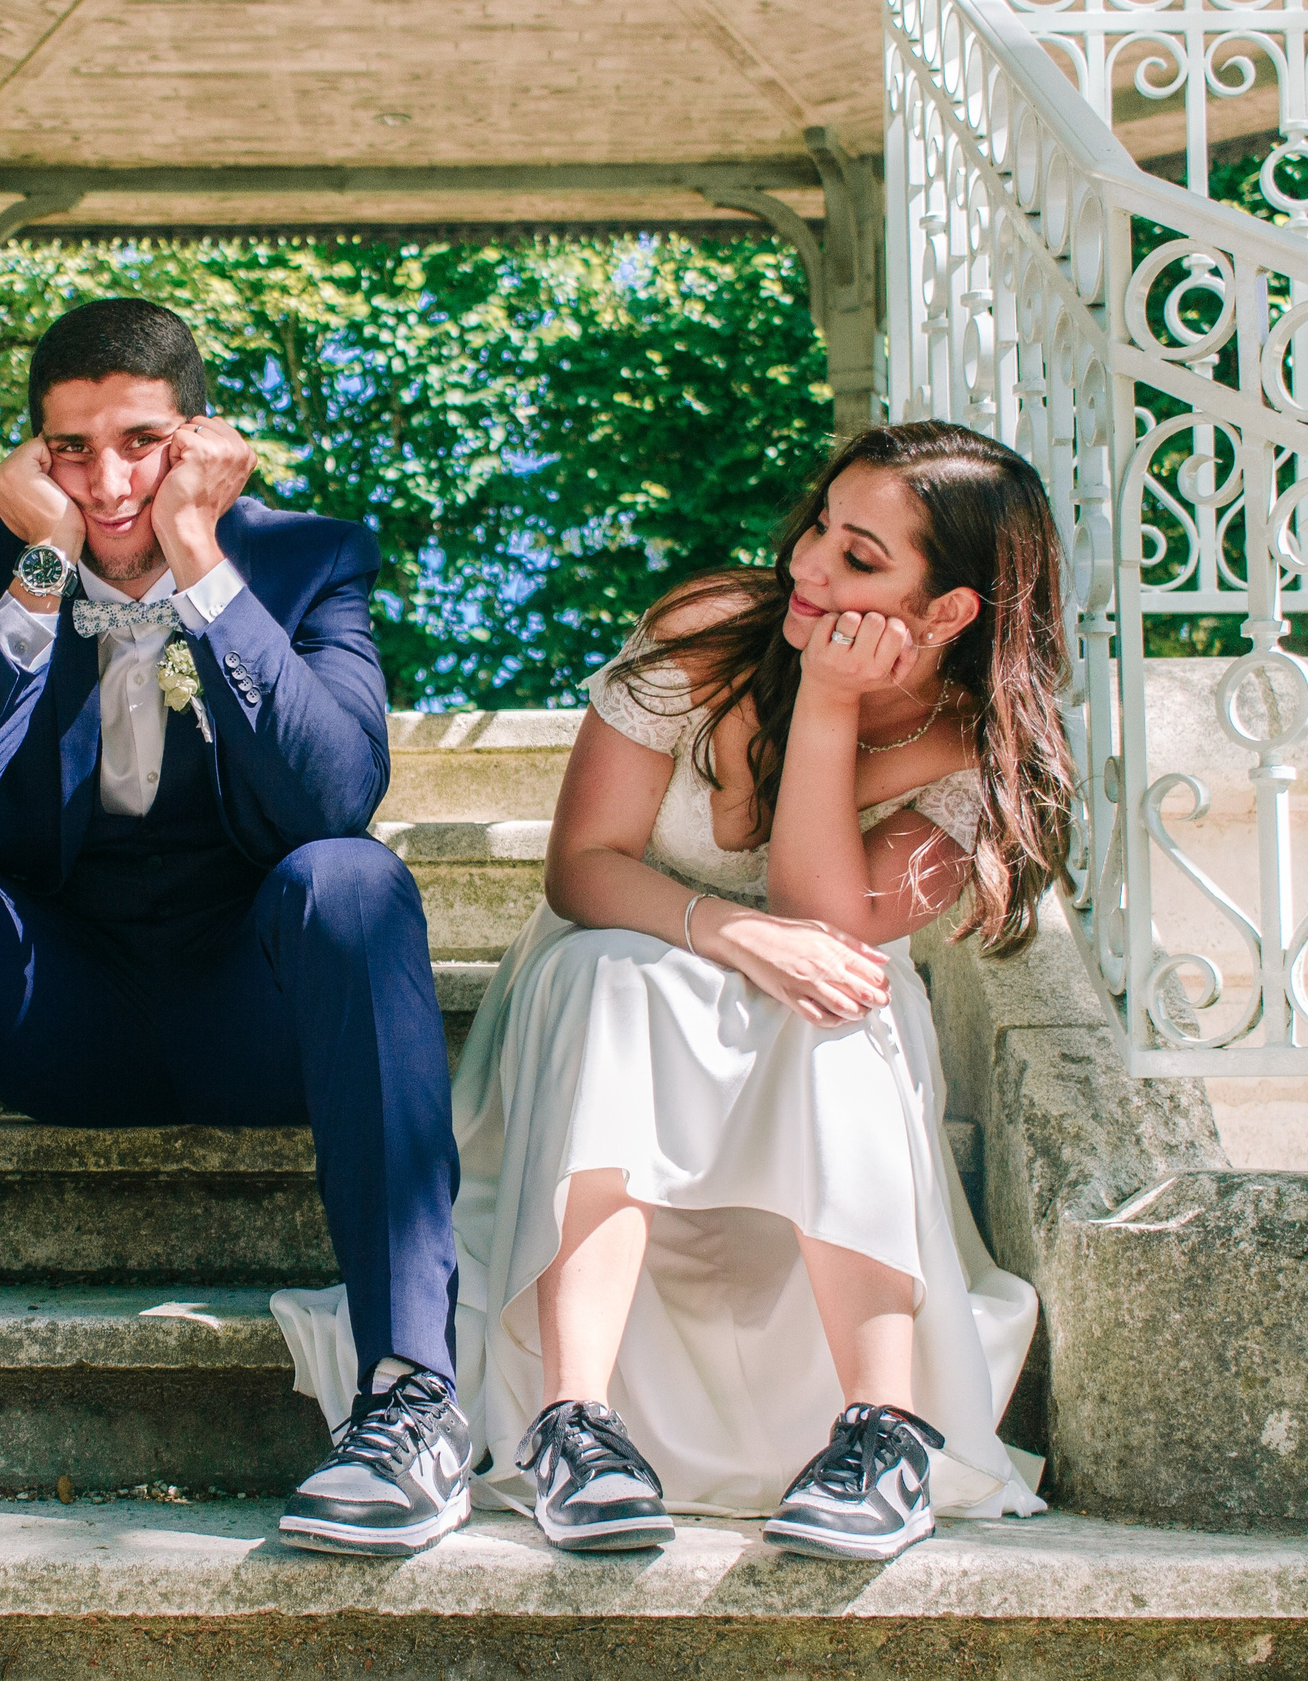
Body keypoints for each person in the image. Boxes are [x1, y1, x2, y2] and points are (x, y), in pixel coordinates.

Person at [275, 421, 1070, 1560]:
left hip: (807, 1012)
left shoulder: (979, 750)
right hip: (623, 950)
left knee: (844, 1002)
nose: (807, 565)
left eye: (859, 558)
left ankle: (883, 1429)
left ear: (948, 612)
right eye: (817, 529)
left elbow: (826, 920)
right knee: (615, 976)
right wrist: (730, 930)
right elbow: (584, 865)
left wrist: (833, 706)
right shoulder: (710, 633)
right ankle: (575, 1419)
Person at [0, 298, 470, 1557]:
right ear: (34, 456)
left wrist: (201, 561)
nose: (106, 480)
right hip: (62, 1008)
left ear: (198, 438)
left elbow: (332, 796)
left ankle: (409, 1396)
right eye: (70, 450)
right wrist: (40, 572)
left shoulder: (311, 557)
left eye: (140, 442)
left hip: (255, 1012)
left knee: (355, 879)